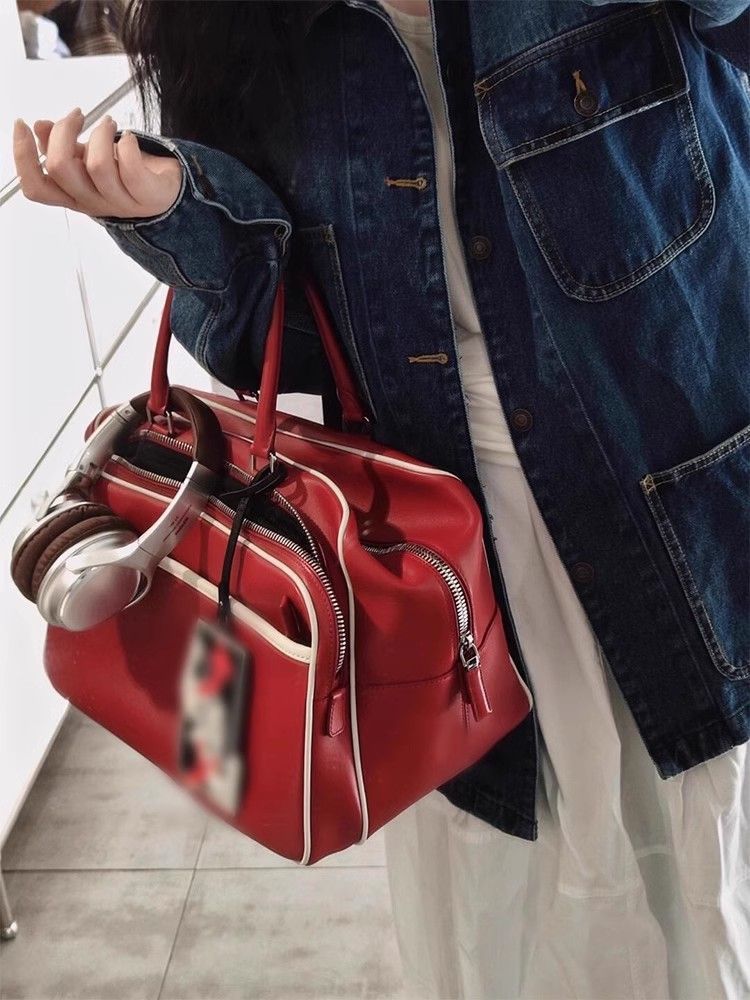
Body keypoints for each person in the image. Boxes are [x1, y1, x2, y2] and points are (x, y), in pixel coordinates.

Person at [13, 1, 750, 996]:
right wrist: (171, 209)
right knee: (522, 914)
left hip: (682, 508)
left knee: (712, 873)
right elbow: (286, 341)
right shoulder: (233, 25)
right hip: (443, 553)